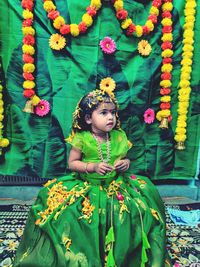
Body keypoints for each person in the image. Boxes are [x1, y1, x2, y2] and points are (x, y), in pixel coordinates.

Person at [14, 89, 171, 267]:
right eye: (103, 113)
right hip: (88, 184)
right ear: (89, 118)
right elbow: (72, 163)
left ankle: (123, 250)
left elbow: (125, 158)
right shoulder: (82, 138)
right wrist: (92, 167)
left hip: (116, 184)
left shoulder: (119, 136)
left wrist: (125, 163)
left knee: (138, 208)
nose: (110, 117)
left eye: (113, 112)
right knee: (68, 213)